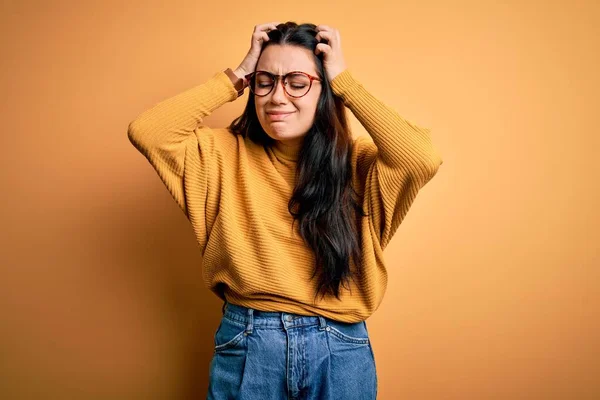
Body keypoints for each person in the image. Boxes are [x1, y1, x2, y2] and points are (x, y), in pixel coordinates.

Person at [128, 21, 443, 400]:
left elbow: (421, 157)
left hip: (340, 347)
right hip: (248, 342)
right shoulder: (221, 153)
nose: (277, 97)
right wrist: (238, 75)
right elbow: (149, 131)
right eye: (265, 81)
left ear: (324, 90)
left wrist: (345, 82)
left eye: (297, 82)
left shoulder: (358, 164)